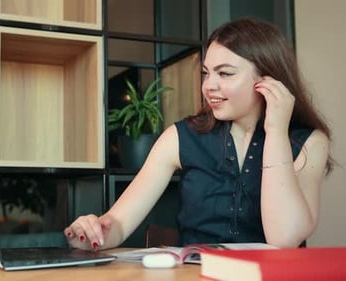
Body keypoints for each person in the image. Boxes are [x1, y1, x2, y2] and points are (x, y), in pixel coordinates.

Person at [64, 17, 333, 251]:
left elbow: (283, 238)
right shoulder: (179, 137)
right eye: (206, 73)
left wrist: (276, 131)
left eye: (225, 74)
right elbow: (119, 224)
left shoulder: (310, 142)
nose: (208, 86)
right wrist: (92, 232)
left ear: (268, 81)